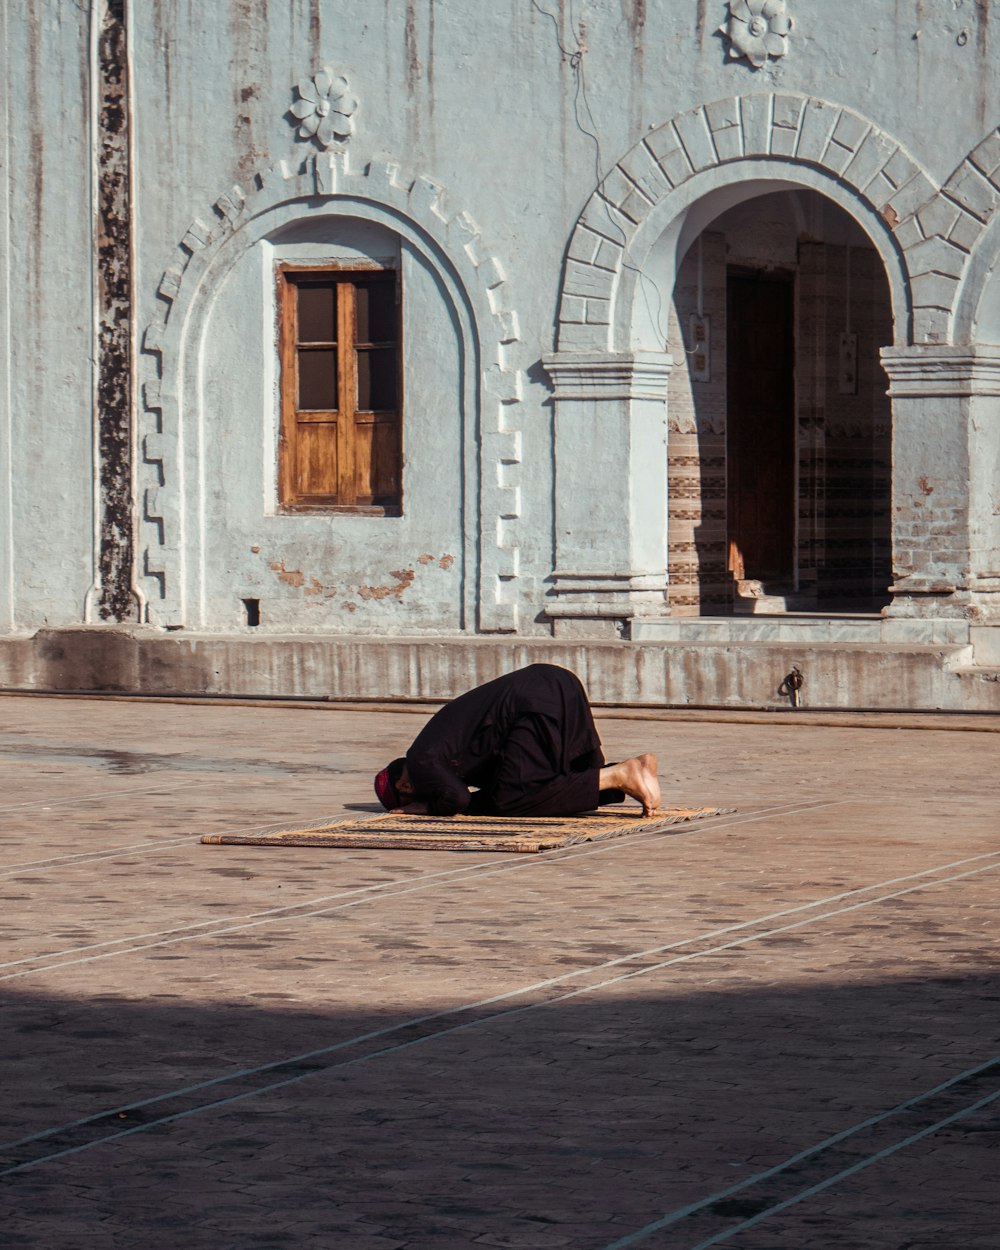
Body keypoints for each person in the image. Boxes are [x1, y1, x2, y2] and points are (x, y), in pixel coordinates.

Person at [373, 663, 661, 819]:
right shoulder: (436, 752)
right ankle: (636, 769)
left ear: (405, 785)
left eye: (412, 798)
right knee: (563, 783)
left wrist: (427, 808)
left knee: (511, 800)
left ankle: (620, 775)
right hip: (557, 684)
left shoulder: (421, 760)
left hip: (534, 701)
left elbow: (457, 799)